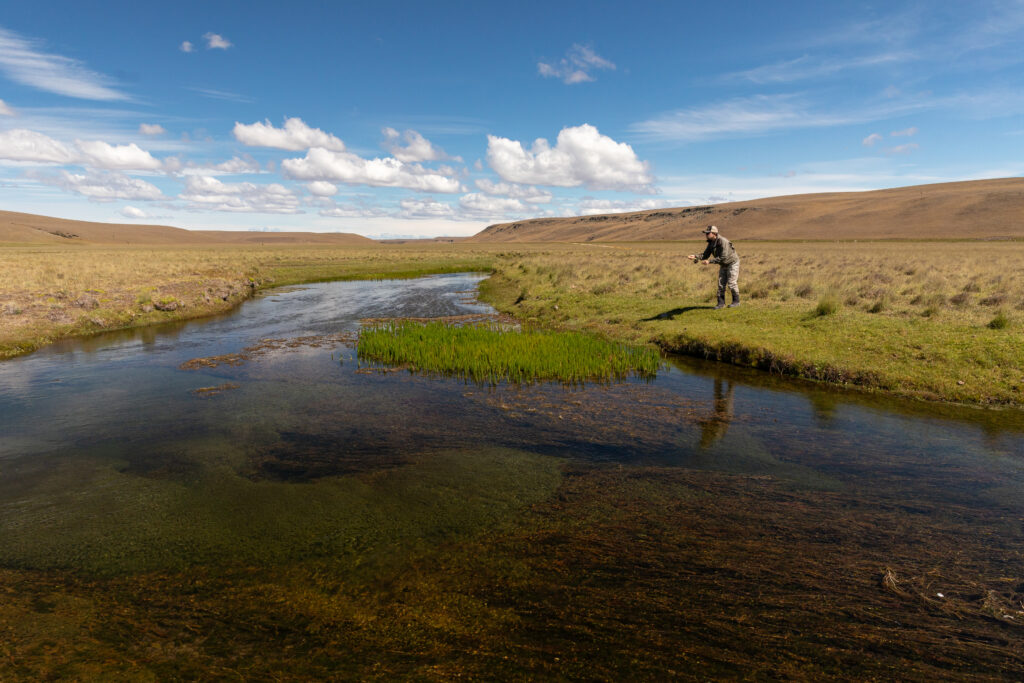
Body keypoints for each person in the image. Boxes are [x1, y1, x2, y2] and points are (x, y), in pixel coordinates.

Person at [688, 225, 740, 309]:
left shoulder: (723, 241)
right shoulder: (711, 243)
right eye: (706, 233)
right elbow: (705, 255)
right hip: (723, 264)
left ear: (714, 233)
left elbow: (724, 257)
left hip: (732, 263)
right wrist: (695, 256)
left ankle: (736, 302)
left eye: (708, 233)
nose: (706, 235)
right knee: (721, 284)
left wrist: (710, 261)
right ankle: (721, 304)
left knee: (731, 283)